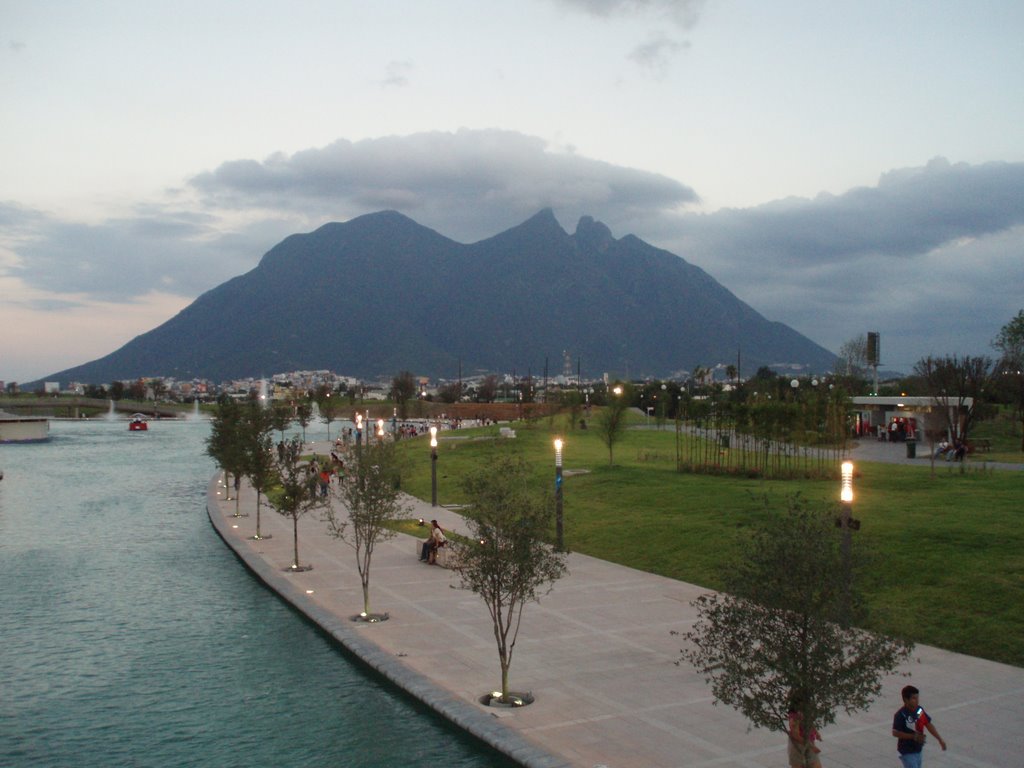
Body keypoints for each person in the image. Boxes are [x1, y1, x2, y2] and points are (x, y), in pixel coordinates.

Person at [893, 685, 946, 767]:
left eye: (917, 698)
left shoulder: (919, 710)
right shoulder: (901, 714)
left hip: (918, 749)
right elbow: (895, 732)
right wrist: (913, 736)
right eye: (914, 698)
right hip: (906, 751)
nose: (917, 700)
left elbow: (928, 724)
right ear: (906, 700)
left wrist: (939, 739)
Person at [786, 692, 822, 768]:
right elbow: (796, 735)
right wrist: (811, 746)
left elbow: (809, 722)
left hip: (808, 742)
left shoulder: (805, 711)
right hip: (798, 745)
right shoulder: (794, 717)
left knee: (816, 765)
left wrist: (816, 733)